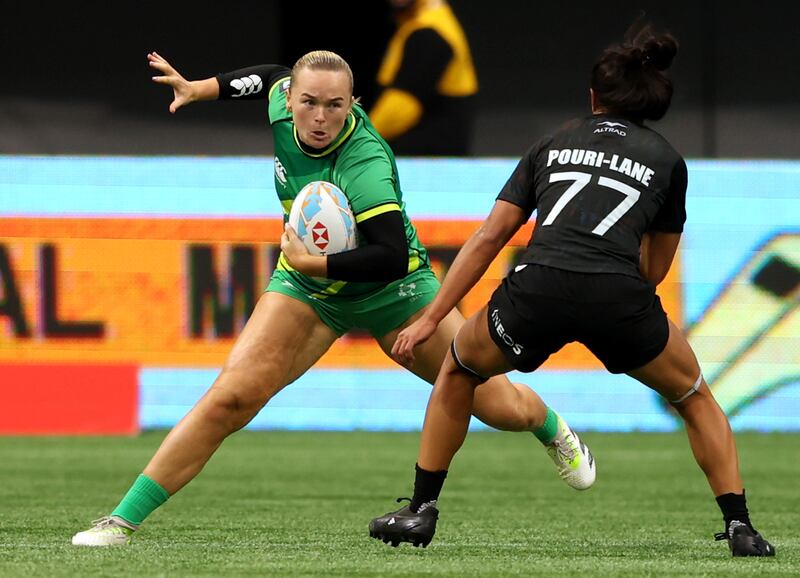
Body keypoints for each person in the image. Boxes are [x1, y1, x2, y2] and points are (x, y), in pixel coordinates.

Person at [70, 50, 595, 546]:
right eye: (309, 102)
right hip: (309, 290)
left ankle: (552, 428)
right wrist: (201, 89)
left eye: (335, 105)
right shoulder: (281, 99)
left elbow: (388, 254)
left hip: (395, 292)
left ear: (354, 105)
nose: (320, 116)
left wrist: (310, 261)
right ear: (290, 99)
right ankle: (121, 520)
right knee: (229, 397)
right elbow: (273, 71)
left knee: (500, 406)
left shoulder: (364, 161)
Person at [368, 25, 776, 557]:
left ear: (593, 98)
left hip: (538, 286)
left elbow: (490, 236)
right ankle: (740, 526)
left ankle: (420, 510)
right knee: (694, 397)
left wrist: (429, 319)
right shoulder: (668, 160)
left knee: (460, 369)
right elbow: (654, 269)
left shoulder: (552, 143)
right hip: (618, 296)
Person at [369, 0, 478, 155]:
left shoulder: (429, 32)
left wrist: (357, 140)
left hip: (426, 163)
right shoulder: (418, 22)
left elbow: (402, 106)